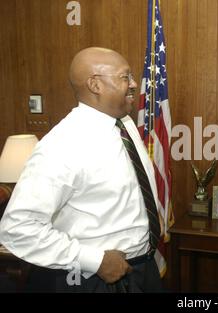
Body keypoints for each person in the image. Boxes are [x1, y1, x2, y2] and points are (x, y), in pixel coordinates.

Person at [0, 47, 164, 293]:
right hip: (94, 279)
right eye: (124, 77)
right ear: (95, 85)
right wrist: (95, 261)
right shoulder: (63, 145)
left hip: (143, 269)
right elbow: (18, 228)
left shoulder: (124, 123)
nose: (133, 84)